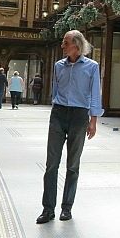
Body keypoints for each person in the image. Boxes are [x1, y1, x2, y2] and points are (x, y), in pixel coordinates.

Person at [37, 30, 102, 224]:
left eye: (65, 43)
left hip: (79, 116)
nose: (62, 46)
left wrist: (93, 120)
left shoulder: (92, 67)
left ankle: (67, 208)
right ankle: (48, 209)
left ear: (76, 45)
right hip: (58, 114)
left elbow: (95, 93)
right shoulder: (59, 66)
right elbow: (55, 91)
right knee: (51, 164)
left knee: (72, 165)